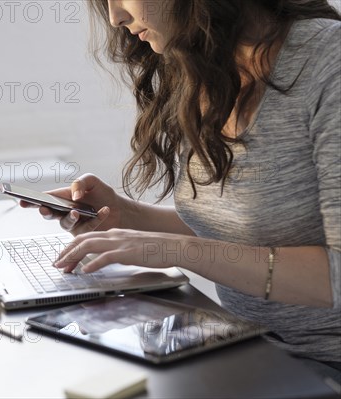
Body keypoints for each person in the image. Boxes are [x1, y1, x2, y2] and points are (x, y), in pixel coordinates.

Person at [24, 0, 341, 384]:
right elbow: (244, 233)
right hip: (253, 345)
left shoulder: (329, 64)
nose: (115, 17)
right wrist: (128, 217)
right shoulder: (208, 62)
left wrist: (177, 251)